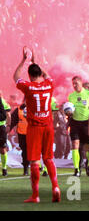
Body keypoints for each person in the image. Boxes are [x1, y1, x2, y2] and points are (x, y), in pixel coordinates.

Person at [13, 46, 60, 203]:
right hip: (48, 126)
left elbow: (16, 76)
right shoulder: (49, 84)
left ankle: (35, 195)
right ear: (40, 73)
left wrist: (24, 59)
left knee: (34, 161)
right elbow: (47, 75)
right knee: (49, 159)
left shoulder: (28, 87)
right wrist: (35, 60)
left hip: (34, 127)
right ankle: (55, 187)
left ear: (30, 75)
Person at [68, 76, 89, 177]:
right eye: (73, 84)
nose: (74, 85)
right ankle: (76, 169)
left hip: (86, 124)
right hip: (75, 123)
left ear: (81, 83)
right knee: (75, 145)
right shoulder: (71, 96)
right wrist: (68, 113)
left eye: (76, 83)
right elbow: (69, 109)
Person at [10, 100, 29, 175]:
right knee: (25, 151)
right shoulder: (18, 110)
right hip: (22, 134)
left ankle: (40, 167)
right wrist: (8, 129)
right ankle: (26, 168)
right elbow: (12, 121)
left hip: (33, 134)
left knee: (33, 151)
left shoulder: (36, 109)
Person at [0, 92, 11, 176]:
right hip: (2, 128)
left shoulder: (3, 102)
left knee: (3, 149)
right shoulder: (4, 101)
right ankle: (4, 169)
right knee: (2, 149)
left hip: (1, 127)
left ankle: (4, 168)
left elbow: (8, 114)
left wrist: (8, 125)